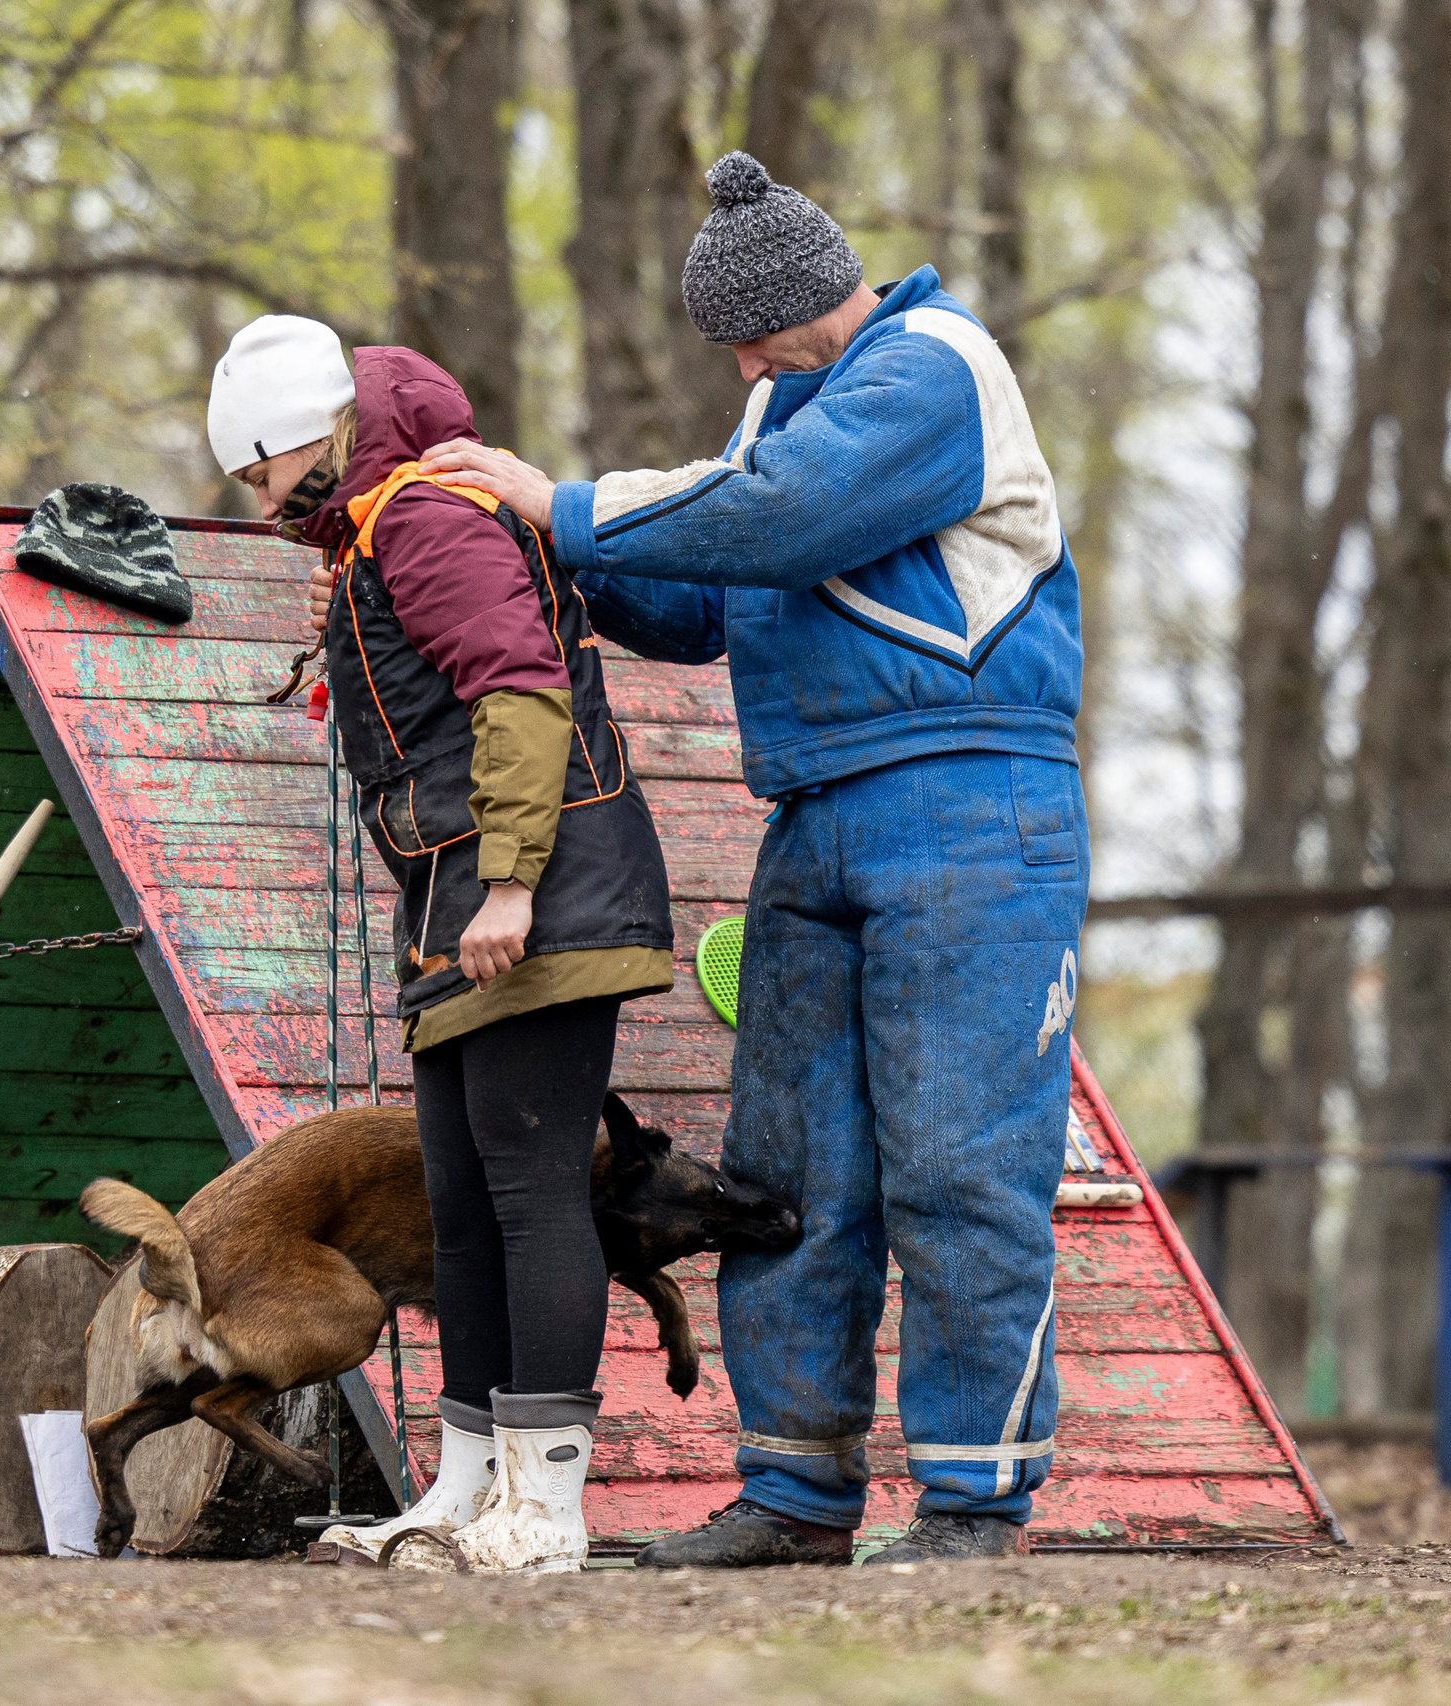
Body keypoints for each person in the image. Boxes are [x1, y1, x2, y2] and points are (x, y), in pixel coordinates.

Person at [388, 151, 1088, 1567]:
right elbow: (713, 597)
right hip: (814, 809)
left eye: (755, 335)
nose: (747, 363)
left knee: (960, 1165)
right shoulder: (792, 393)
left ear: (820, 291)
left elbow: (780, 516)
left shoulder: (932, 367)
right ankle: (794, 1489)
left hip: (971, 806)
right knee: (785, 1173)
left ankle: (975, 1500)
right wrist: (548, 558)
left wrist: (562, 498)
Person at [206, 316, 675, 1573]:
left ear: (311, 438)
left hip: (538, 895)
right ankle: (465, 1491)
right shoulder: (377, 535)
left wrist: (512, 883)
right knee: (462, 1210)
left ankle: (547, 1504)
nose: (260, 503)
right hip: (452, 903)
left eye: (260, 474)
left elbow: (519, 693)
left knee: (531, 1198)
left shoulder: (423, 520)